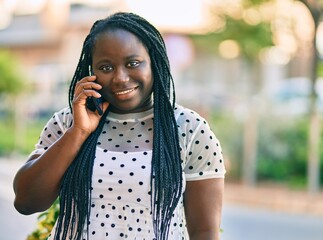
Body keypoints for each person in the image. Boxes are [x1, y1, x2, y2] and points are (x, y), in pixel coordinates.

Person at [13, 12, 226, 240]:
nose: (120, 78)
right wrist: (78, 132)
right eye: (106, 67)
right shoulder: (67, 122)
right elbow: (26, 202)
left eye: (132, 63)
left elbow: (205, 232)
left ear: (154, 62)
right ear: (91, 71)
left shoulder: (189, 129)